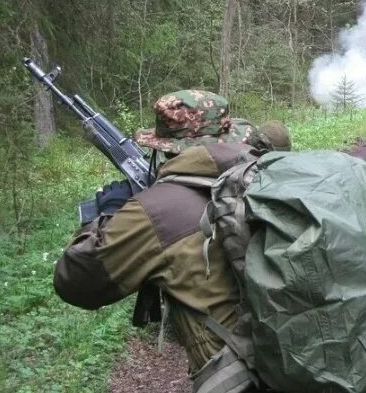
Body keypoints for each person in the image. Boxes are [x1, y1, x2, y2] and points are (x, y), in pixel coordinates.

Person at [53, 89, 291, 392]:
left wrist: (105, 214)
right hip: (292, 357)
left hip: (241, 378)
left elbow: (75, 282)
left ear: (165, 146)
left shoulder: (155, 212)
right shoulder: (264, 174)